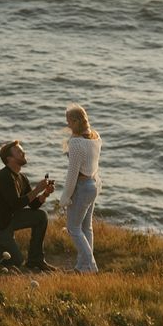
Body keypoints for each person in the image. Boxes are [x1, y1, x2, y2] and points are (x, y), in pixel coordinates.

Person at [0, 140, 57, 271]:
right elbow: (16, 204)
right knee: (16, 261)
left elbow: (34, 205)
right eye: (19, 151)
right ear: (10, 159)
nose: (23, 152)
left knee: (41, 216)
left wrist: (45, 194)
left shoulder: (22, 177)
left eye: (22, 150)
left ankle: (36, 260)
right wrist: (37, 189)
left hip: (10, 220)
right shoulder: (4, 177)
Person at [60, 104, 102, 273]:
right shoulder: (95, 137)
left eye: (69, 120)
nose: (67, 124)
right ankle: (82, 266)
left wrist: (65, 197)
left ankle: (91, 266)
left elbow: (72, 174)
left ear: (76, 121)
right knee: (86, 228)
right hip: (93, 184)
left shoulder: (76, 143)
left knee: (73, 229)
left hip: (82, 186)